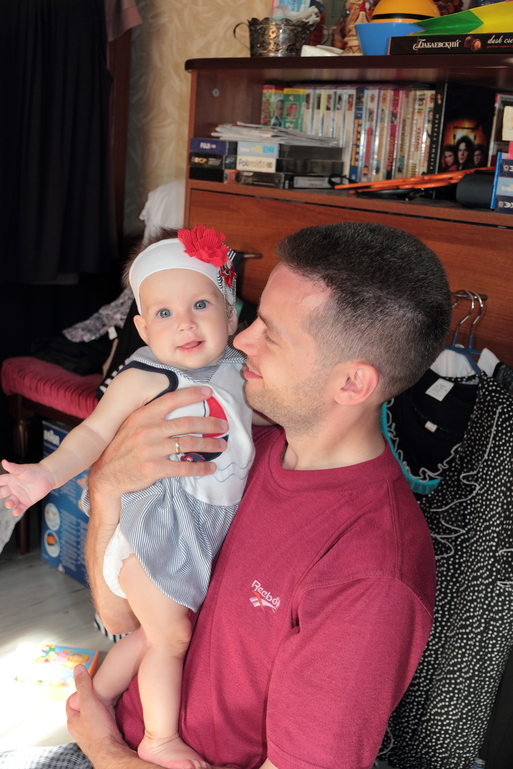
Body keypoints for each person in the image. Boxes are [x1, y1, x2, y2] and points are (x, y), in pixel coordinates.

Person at [0, 222, 453, 769]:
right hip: (115, 728)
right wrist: (107, 486)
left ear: (352, 383)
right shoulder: (234, 445)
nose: (240, 341)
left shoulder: (371, 573)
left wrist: (103, 748)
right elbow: (118, 618)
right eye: (252, 317)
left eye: (271, 334)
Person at [0, 225, 256, 769]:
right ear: (141, 328)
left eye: (201, 304)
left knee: (148, 635)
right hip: (153, 530)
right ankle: (159, 739)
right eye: (163, 313)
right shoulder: (146, 377)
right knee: (171, 637)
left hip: (205, 530)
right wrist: (44, 475)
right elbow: (93, 434)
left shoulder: (241, 370)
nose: (184, 322)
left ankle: (95, 696)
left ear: (231, 315)